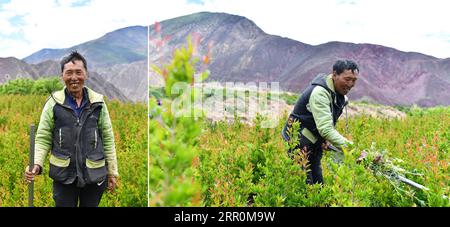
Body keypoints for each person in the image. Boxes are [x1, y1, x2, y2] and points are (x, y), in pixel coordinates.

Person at [25, 51, 119, 207]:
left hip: (94, 175)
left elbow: (108, 138)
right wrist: (36, 164)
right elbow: (43, 137)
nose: (74, 77)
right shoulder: (53, 103)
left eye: (78, 72)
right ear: (62, 75)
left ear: (86, 74)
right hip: (64, 176)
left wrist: (112, 172)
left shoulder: (98, 103)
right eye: (69, 73)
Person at [281, 60, 359, 185]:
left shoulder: (340, 96)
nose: (350, 84)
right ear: (334, 75)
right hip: (298, 141)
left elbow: (326, 124)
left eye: (354, 80)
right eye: (347, 79)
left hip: (314, 143)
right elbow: (326, 129)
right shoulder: (320, 93)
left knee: (318, 185)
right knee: (304, 184)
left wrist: (324, 140)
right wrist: (354, 150)